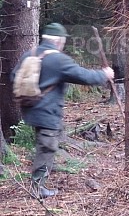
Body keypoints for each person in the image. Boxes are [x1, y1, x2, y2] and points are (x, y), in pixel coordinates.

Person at [11, 23, 114, 198]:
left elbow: (13, 76)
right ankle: (37, 188)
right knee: (47, 147)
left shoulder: (30, 54)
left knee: (44, 145)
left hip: (30, 108)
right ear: (59, 41)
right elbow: (84, 76)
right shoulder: (59, 59)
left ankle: (38, 178)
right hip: (48, 112)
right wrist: (105, 75)